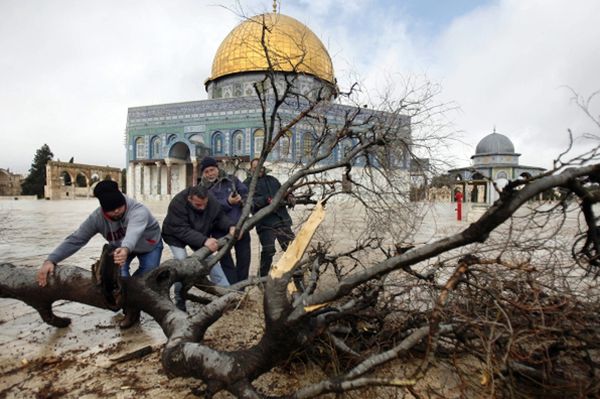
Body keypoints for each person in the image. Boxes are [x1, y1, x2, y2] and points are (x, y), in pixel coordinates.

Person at [37, 180, 164, 329]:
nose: (117, 211)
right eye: (112, 209)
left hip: (149, 245)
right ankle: (129, 308)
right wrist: (51, 259)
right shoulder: (96, 218)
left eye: (120, 207)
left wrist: (126, 249)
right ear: (103, 209)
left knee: (147, 276)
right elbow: (76, 239)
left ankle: (132, 306)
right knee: (119, 279)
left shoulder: (138, 210)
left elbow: (133, 233)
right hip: (118, 248)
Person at [161, 184, 235, 311]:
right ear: (190, 199)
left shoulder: (209, 200)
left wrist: (230, 226)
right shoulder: (177, 203)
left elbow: (219, 216)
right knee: (181, 263)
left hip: (198, 235)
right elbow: (181, 229)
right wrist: (204, 240)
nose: (203, 208)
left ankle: (228, 296)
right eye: (198, 205)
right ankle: (180, 299)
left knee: (212, 263)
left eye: (205, 204)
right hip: (175, 235)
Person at [199, 157, 251, 284]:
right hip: (219, 231)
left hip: (240, 227)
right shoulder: (203, 190)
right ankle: (233, 288)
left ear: (217, 168)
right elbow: (210, 208)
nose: (210, 174)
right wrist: (228, 202)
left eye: (212, 170)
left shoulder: (231, 180)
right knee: (226, 260)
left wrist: (243, 202)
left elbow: (247, 194)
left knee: (244, 259)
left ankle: (242, 285)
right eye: (206, 172)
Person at [244, 158, 295, 277]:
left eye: (260, 167)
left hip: (282, 219)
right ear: (251, 169)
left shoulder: (273, 180)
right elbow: (248, 202)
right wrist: (266, 200)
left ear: (264, 168)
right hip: (264, 223)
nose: (258, 169)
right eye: (255, 167)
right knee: (268, 250)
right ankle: (262, 277)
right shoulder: (246, 184)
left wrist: (290, 196)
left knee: (291, 249)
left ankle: (297, 278)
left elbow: (283, 191)